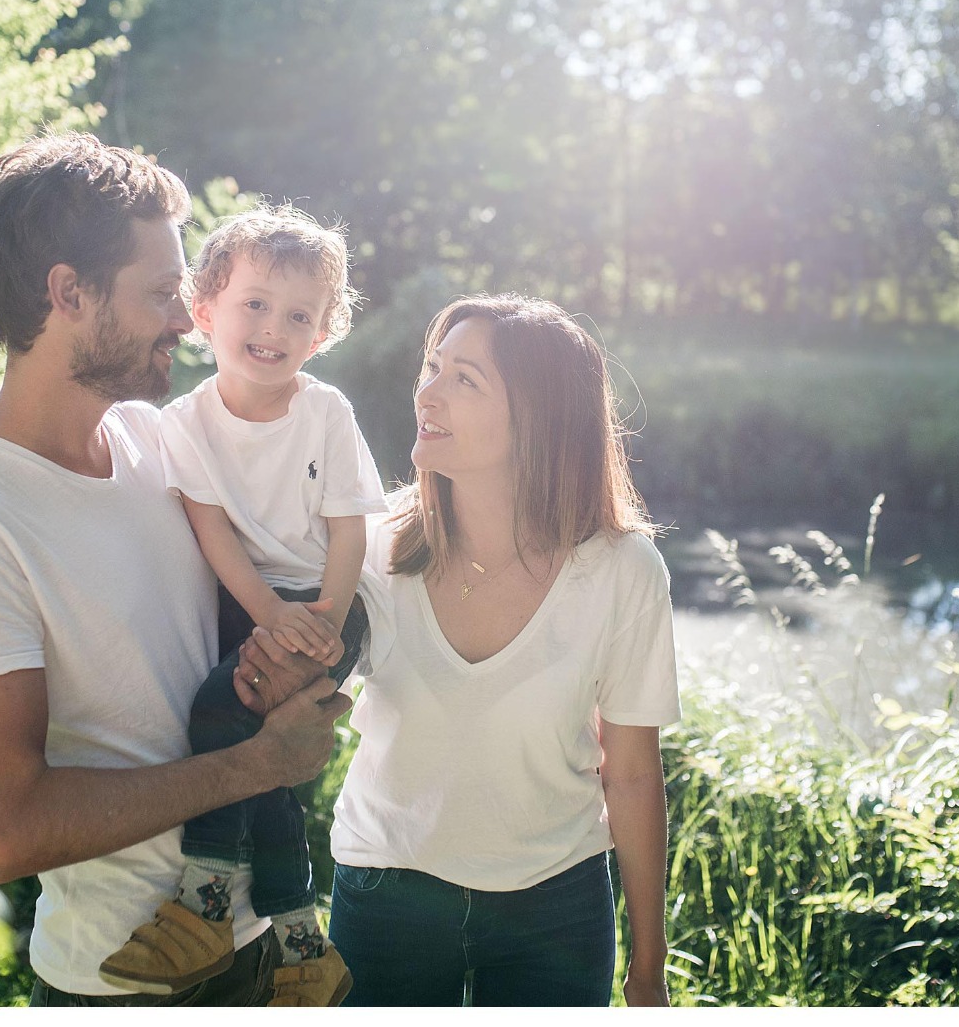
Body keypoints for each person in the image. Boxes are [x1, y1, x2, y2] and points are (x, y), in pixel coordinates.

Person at [0, 132, 351, 1007]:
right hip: (124, 978)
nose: (185, 318)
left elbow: (297, 531)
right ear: (69, 292)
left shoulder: (153, 437)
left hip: (262, 945)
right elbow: (5, 830)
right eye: (159, 292)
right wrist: (255, 764)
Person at [240, 294, 680, 1007]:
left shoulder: (623, 570)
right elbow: (295, 693)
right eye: (432, 368)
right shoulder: (370, 548)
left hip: (556, 906)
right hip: (384, 893)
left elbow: (630, 774)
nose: (427, 392)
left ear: (538, 417)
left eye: (464, 379)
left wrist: (648, 966)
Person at [97, 206, 386, 1006]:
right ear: (203, 310)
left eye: (298, 315)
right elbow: (213, 532)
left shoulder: (324, 412)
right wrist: (265, 614)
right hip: (251, 603)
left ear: (321, 332)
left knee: (220, 709)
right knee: (265, 765)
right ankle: (302, 945)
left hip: (328, 599)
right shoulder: (184, 422)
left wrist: (323, 621)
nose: (272, 328)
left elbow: (349, 530)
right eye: (254, 303)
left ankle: (204, 902)